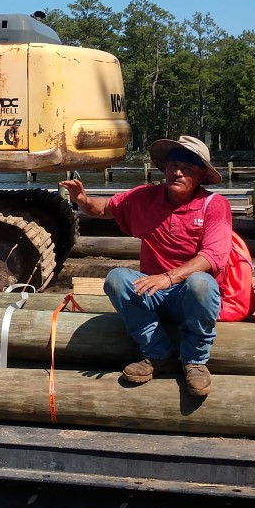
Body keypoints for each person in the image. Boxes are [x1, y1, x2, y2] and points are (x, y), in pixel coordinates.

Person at [59, 134, 230, 397]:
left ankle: (194, 361)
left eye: (187, 168)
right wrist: (82, 199)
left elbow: (213, 256)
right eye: (174, 165)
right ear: (165, 168)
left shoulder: (214, 205)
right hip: (154, 293)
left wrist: (169, 277)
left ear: (199, 175)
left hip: (189, 296)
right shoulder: (145, 197)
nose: (178, 172)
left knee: (201, 284)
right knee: (116, 279)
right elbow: (104, 209)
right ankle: (158, 353)